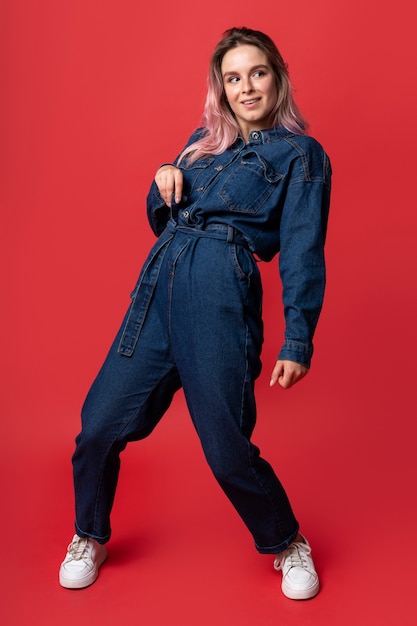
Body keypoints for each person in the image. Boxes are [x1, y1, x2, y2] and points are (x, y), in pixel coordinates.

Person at [59, 26, 331, 600]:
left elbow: (303, 250)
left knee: (226, 446)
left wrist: (297, 339)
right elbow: (164, 211)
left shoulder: (301, 155)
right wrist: (164, 178)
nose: (247, 87)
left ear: (277, 77)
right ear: (222, 90)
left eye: (257, 73)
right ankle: (90, 533)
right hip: (160, 285)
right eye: (233, 78)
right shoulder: (202, 142)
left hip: (220, 289)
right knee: (98, 427)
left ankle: (287, 543)